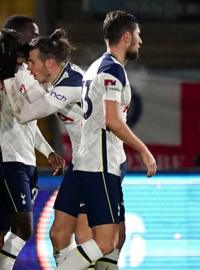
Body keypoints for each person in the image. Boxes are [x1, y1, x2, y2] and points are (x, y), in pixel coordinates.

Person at [58, 10, 157, 270]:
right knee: (103, 242)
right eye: (138, 35)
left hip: (103, 162)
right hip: (100, 164)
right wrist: (144, 150)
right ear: (126, 37)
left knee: (117, 236)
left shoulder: (96, 66)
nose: (140, 41)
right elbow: (113, 121)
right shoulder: (113, 70)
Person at [0, 16, 64, 270]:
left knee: (2, 235)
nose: (36, 41)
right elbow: (16, 114)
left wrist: (47, 151)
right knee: (21, 228)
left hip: (26, 161)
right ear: (19, 37)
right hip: (7, 159)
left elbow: (28, 122)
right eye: (32, 35)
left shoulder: (25, 73)